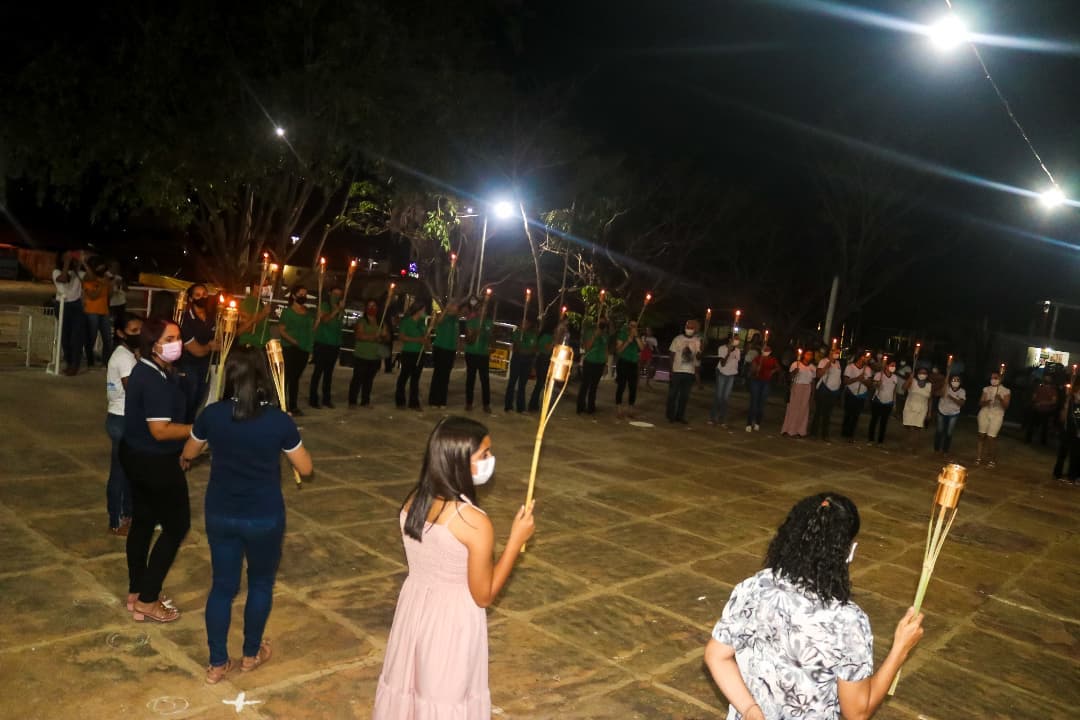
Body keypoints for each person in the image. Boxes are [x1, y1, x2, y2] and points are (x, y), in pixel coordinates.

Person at [705, 493, 924, 720]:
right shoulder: (846, 622)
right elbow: (857, 713)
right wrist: (900, 649)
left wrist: (749, 709)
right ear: (849, 550)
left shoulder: (755, 587)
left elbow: (716, 655)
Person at [372, 417, 536, 719]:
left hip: (415, 608)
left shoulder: (414, 500)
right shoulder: (473, 521)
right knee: (444, 696)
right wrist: (515, 542)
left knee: (411, 688)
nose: (491, 461)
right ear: (458, 462)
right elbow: (483, 596)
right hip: (451, 620)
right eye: (483, 455)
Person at [180, 347, 313, 684]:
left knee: (222, 587)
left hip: (222, 513)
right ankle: (251, 655)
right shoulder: (278, 421)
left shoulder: (212, 415)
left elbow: (189, 452)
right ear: (263, 379)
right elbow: (306, 468)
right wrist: (286, 435)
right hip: (264, 516)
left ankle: (216, 663)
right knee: (260, 583)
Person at [120, 317, 193, 623]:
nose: (177, 343)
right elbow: (161, 431)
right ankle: (148, 599)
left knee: (144, 522)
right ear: (154, 345)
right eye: (170, 338)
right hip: (154, 461)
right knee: (177, 526)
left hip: (137, 456)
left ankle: (137, 592)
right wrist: (197, 430)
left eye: (178, 337)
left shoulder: (151, 371)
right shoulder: (152, 379)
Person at [105, 313, 142, 536]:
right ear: (120, 333)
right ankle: (116, 520)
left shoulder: (127, 354)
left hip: (122, 417)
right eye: (134, 331)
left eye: (140, 330)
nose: (139, 335)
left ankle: (128, 514)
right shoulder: (124, 358)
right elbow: (134, 390)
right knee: (120, 473)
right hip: (122, 418)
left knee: (128, 471)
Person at [177, 284, 219, 421]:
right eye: (198, 295)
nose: (202, 297)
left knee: (199, 400)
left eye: (205, 294)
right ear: (190, 299)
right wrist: (210, 347)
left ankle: (190, 429)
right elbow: (195, 350)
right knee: (188, 401)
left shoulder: (212, 316)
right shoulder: (185, 318)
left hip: (205, 366)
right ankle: (182, 430)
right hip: (189, 365)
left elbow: (221, 340)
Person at [276, 285, 314, 416]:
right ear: (293, 296)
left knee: (295, 378)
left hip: (303, 348)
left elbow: (311, 330)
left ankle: (293, 405)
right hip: (290, 348)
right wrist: (293, 341)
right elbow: (281, 329)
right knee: (286, 377)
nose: (303, 297)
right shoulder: (288, 312)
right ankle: (280, 404)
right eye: (301, 294)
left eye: (305, 294)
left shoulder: (307, 312)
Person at [309, 285, 345, 408]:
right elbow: (325, 319)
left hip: (334, 344)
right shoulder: (324, 305)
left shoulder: (341, 308)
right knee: (318, 371)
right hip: (323, 342)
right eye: (335, 294)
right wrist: (336, 310)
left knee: (329, 373)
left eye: (339, 295)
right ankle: (313, 398)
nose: (337, 297)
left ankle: (326, 398)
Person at [53, 251, 86, 376]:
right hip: (61, 305)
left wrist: (81, 262)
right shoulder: (56, 272)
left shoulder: (79, 273)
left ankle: (74, 365)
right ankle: (69, 362)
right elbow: (63, 279)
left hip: (76, 306)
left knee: (76, 337)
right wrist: (67, 262)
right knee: (65, 337)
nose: (69, 258)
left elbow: (92, 278)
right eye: (65, 256)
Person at [349, 300, 387, 408]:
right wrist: (373, 336)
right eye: (370, 306)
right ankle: (352, 401)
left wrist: (384, 335)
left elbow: (386, 337)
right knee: (357, 379)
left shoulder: (380, 322)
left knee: (369, 380)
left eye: (374, 306)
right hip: (362, 354)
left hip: (375, 355)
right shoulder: (362, 321)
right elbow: (359, 336)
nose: (372, 308)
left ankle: (365, 400)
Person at [666, 319, 701, 424]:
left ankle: (680, 416)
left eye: (691, 327)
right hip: (677, 370)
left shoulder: (697, 340)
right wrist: (671, 370)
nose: (689, 329)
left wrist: (701, 349)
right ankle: (670, 415)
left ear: (694, 329)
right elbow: (671, 355)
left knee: (684, 396)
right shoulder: (678, 339)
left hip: (689, 372)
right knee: (673, 395)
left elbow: (698, 357)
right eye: (687, 327)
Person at [463, 298, 494, 413]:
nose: (483, 311)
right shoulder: (471, 321)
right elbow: (468, 340)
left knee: (485, 380)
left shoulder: (489, 322)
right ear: (478, 310)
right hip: (471, 353)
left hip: (483, 354)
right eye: (481, 309)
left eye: (485, 309)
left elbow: (491, 337)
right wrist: (476, 332)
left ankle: (486, 404)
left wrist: (491, 344)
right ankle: (468, 403)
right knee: (470, 378)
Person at [428, 301, 461, 409]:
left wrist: (457, 348)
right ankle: (433, 400)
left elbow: (456, 335)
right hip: (440, 348)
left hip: (450, 350)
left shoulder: (456, 320)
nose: (456, 307)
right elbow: (438, 322)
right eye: (455, 305)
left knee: (446, 376)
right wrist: (445, 309)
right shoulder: (443, 316)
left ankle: (442, 400)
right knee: (438, 374)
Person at [396, 303, 427, 410]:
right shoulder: (407, 322)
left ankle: (414, 402)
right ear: (418, 310)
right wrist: (416, 340)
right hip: (409, 352)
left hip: (419, 353)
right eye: (423, 310)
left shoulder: (422, 323)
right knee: (404, 376)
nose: (424, 312)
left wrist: (426, 342)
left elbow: (425, 337)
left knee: (415, 379)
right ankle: (400, 401)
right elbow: (402, 337)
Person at [976, 371, 1011, 468]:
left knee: (991, 437)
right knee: (981, 435)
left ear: (1000, 379)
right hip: (985, 412)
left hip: (997, 414)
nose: (993, 380)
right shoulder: (986, 389)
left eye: (995, 378)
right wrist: (986, 401)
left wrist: (1000, 399)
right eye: (992, 378)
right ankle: (978, 457)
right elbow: (980, 403)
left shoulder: (1006, 390)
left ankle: (992, 459)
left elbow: (1006, 406)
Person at [82, 260, 113, 367]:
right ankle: (90, 361)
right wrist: (101, 285)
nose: (103, 270)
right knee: (91, 338)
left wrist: (110, 284)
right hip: (91, 312)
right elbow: (92, 296)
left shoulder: (105, 280)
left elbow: (109, 295)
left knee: (108, 339)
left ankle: (106, 362)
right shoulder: (88, 280)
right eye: (100, 267)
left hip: (104, 312)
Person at [577, 318, 610, 415]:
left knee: (594, 386)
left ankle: (591, 407)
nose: (602, 324)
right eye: (601, 322)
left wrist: (606, 364)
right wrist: (594, 336)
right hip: (590, 361)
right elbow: (587, 347)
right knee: (585, 385)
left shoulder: (605, 335)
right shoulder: (590, 332)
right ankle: (580, 406)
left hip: (600, 363)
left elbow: (606, 350)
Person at [505, 317, 538, 413]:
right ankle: (508, 406)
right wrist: (523, 345)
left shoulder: (533, 334)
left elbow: (534, 349)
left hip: (527, 361)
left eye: (527, 322)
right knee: (512, 382)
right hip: (517, 359)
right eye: (523, 322)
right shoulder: (517, 333)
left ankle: (520, 407)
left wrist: (527, 351)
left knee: (522, 385)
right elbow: (517, 348)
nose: (525, 324)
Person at [810, 347, 843, 442]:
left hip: (833, 391)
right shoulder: (823, 361)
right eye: (836, 352)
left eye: (838, 352)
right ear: (830, 352)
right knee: (819, 412)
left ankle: (825, 434)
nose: (837, 354)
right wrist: (828, 365)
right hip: (824, 389)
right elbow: (819, 374)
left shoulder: (838, 363)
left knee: (828, 414)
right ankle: (814, 433)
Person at [780, 349, 815, 438]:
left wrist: (812, 394)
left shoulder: (812, 367)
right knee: (793, 408)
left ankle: (800, 431)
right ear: (803, 355)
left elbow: (813, 381)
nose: (809, 356)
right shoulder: (796, 364)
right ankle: (788, 430)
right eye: (807, 354)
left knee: (803, 410)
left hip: (807, 388)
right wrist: (794, 372)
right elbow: (790, 376)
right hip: (797, 386)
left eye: (811, 354)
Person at [614, 319, 645, 418]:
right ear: (628, 325)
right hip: (623, 362)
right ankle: (619, 408)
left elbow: (642, 348)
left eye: (635, 326)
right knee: (621, 386)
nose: (633, 327)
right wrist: (627, 341)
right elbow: (619, 351)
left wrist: (636, 336)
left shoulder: (637, 335)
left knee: (633, 387)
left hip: (633, 363)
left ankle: (630, 408)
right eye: (631, 325)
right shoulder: (622, 334)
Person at [709, 335, 741, 427]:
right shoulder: (722, 348)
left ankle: (722, 419)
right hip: (722, 373)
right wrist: (728, 352)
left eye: (738, 340)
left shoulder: (738, 350)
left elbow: (736, 362)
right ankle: (713, 418)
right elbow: (722, 364)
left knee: (725, 398)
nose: (737, 341)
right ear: (730, 340)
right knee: (718, 396)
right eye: (735, 339)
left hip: (731, 375)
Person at [746, 345, 780, 432]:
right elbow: (752, 370)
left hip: (766, 382)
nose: (766, 351)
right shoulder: (757, 358)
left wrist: (773, 371)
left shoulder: (772, 359)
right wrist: (757, 367)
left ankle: (757, 422)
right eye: (765, 350)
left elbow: (778, 368)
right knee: (754, 402)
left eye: (768, 350)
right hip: (756, 381)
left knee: (761, 403)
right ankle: (749, 423)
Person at [528, 319, 560, 412]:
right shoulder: (547, 336)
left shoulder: (545, 335)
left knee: (541, 383)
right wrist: (554, 340)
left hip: (545, 359)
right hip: (543, 359)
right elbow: (547, 348)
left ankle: (534, 404)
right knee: (540, 383)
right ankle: (532, 404)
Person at [840, 353, 872, 442]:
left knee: (856, 415)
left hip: (861, 394)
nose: (865, 359)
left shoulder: (868, 369)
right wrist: (857, 378)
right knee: (848, 414)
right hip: (850, 393)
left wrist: (864, 381)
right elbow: (845, 381)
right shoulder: (850, 367)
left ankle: (851, 434)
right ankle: (845, 432)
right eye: (863, 357)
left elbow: (870, 384)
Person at [867, 360, 899, 446]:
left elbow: (894, 391)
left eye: (894, 366)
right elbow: (874, 386)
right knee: (874, 420)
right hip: (878, 400)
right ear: (886, 366)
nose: (893, 367)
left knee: (884, 422)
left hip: (888, 402)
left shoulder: (895, 377)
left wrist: (894, 403)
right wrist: (877, 384)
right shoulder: (879, 374)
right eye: (892, 365)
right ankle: (870, 439)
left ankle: (880, 441)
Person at [1053, 384, 1080, 484]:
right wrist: (1065, 406)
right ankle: (1058, 473)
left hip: (1077, 434)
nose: (1078, 394)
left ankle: (1073, 476)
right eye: (1077, 392)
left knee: (1075, 456)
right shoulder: (1071, 404)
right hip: (1067, 432)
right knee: (1062, 452)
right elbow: (1063, 418)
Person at [902, 368, 933, 453]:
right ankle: (907, 444)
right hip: (910, 406)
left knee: (917, 428)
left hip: (922, 408)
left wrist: (929, 412)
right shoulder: (913, 381)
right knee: (908, 427)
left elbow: (930, 399)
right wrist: (910, 378)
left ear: (927, 375)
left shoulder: (929, 385)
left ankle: (914, 447)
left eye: (924, 373)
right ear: (917, 373)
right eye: (920, 372)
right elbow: (903, 387)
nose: (922, 374)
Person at [934, 375, 966, 456]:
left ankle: (945, 450)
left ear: (960, 382)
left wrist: (951, 397)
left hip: (953, 414)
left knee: (949, 432)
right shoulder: (946, 387)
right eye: (953, 380)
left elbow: (961, 403)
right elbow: (937, 394)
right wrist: (943, 387)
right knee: (939, 430)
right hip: (942, 411)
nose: (955, 381)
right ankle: (936, 449)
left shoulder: (962, 391)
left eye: (957, 380)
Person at [1025, 375, 1059, 446]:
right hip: (1037, 409)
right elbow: (1034, 397)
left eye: (1048, 378)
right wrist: (1035, 402)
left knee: (1044, 427)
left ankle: (1042, 441)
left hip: (1045, 411)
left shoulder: (1052, 390)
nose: (1046, 379)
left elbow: (1054, 401)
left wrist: (1042, 403)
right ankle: (1029, 439)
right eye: (1046, 378)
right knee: (1032, 425)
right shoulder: (1039, 388)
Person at [236, 284, 273, 348]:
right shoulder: (249, 302)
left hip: (259, 343)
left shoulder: (259, 302)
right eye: (264, 285)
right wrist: (263, 314)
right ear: (255, 286)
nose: (267, 288)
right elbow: (247, 328)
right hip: (251, 344)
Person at [108, 261, 127, 336]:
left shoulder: (119, 277)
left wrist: (122, 283)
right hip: (112, 304)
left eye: (118, 266)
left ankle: (119, 340)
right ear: (110, 266)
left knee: (121, 324)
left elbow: (127, 289)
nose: (117, 268)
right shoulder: (106, 276)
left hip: (121, 303)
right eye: (115, 266)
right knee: (112, 325)